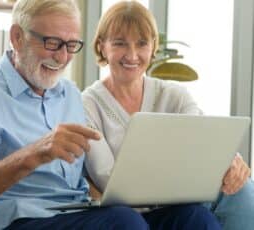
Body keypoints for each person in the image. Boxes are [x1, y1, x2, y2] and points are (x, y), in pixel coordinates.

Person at [0, 0, 221, 229]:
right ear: (17, 37)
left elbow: (87, 176)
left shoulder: (68, 94)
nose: (63, 57)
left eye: (71, 45)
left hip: (74, 212)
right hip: (18, 219)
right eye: (52, 43)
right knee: (123, 223)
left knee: (194, 218)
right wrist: (36, 153)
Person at [82, 1, 254, 230]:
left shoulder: (175, 95)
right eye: (120, 43)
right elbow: (109, 180)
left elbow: (206, 143)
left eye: (141, 43)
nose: (132, 55)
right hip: (126, 213)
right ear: (102, 46)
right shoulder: (88, 104)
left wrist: (232, 162)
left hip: (179, 200)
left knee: (241, 187)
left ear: (153, 46)